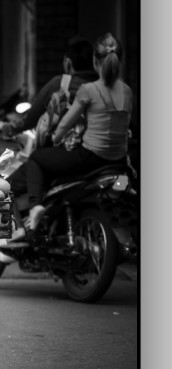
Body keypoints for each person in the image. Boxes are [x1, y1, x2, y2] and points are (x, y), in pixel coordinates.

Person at [19, 33, 134, 232]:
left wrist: (55, 137)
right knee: (128, 177)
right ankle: (116, 195)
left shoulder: (88, 89)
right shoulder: (126, 90)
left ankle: (36, 206)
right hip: (119, 160)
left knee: (36, 158)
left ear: (95, 62)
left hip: (89, 157)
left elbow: (65, 123)